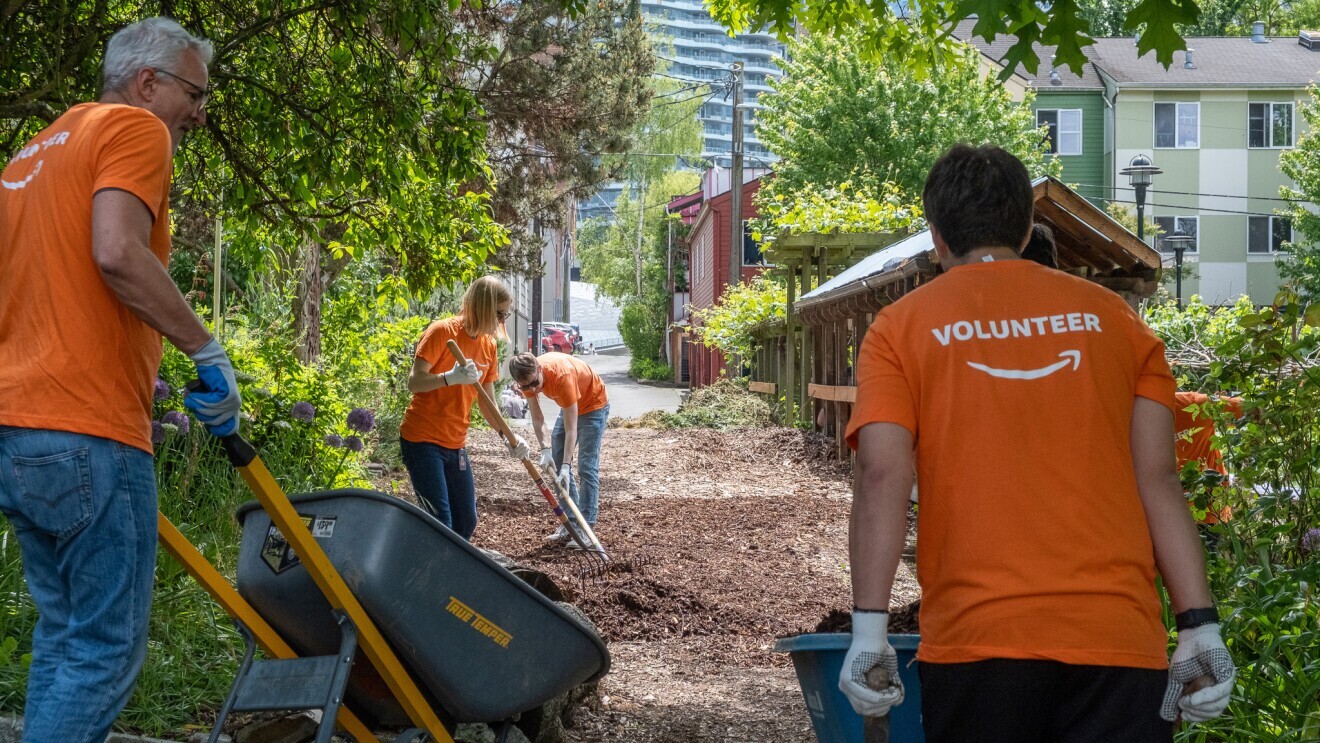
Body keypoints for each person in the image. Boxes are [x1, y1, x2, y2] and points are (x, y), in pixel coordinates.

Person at [840, 144, 1234, 742]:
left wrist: (868, 630)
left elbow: (881, 476)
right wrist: (1199, 626)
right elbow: (1158, 478)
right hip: (1118, 645)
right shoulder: (1118, 321)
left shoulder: (900, 328)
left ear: (937, 237)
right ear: (1027, 229)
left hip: (978, 643)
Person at [0, 18, 242, 743]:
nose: (198, 111)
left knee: (66, 638)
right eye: (194, 93)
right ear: (148, 83)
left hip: (17, 430)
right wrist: (205, 349)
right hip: (89, 431)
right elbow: (116, 253)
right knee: (103, 651)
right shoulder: (135, 132)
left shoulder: (26, 158)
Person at [399, 276, 530, 539]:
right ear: (482, 306)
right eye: (500, 313)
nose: (503, 320)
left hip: (455, 443)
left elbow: (487, 402)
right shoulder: (442, 332)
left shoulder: (488, 345)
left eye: (506, 313)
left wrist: (509, 437)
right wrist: (449, 377)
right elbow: (414, 382)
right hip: (422, 440)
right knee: (441, 523)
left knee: (466, 522)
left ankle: (451, 573)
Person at [508, 351, 610, 542]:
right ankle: (571, 523)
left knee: (586, 467)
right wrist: (545, 450)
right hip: (569, 404)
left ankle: (587, 528)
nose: (532, 389)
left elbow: (572, 430)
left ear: (539, 368)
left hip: (594, 404)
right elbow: (537, 419)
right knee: (554, 464)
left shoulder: (562, 376)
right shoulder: (527, 378)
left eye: (534, 384)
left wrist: (566, 465)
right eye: (525, 386)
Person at [1174, 391, 1244, 525]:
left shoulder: (1195, 404)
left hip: (1208, 509)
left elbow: (1249, 409)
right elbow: (1254, 409)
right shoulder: (1195, 403)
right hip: (1180, 512)